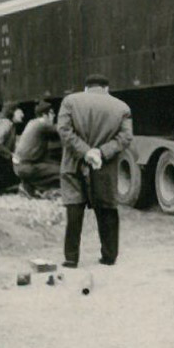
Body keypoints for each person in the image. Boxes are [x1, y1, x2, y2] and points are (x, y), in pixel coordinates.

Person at [57, 74, 133, 268]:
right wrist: (100, 152)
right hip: (104, 166)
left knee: (74, 208)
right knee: (107, 208)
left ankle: (71, 258)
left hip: (74, 163)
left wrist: (86, 152)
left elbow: (64, 131)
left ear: (86, 88)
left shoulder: (70, 101)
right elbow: (125, 138)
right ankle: (109, 256)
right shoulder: (121, 107)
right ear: (106, 89)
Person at [13, 100, 60, 198]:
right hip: (28, 167)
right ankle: (47, 190)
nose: (54, 115)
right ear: (45, 114)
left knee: (50, 165)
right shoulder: (43, 124)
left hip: (19, 167)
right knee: (62, 171)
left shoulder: (32, 122)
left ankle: (28, 186)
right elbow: (63, 130)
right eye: (52, 113)